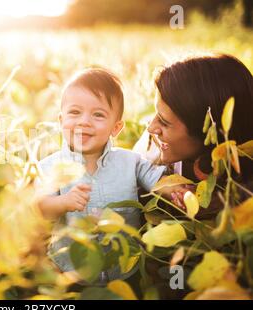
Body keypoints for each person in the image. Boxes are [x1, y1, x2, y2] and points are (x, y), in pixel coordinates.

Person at [35, 67, 183, 284]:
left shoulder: (130, 161)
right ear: (61, 120)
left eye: (98, 115)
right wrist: (63, 202)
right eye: (75, 112)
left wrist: (176, 191)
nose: (84, 121)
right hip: (72, 272)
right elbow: (41, 208)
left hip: (124, 270)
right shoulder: (51, 166)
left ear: (116, 127)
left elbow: (157, 180)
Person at [136, 53, 253, 211]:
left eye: (164, 122)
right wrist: (160, 185)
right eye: (156, 114)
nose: (151, 128)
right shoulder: (151, 151)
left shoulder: (244, 186)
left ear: (208, 133)